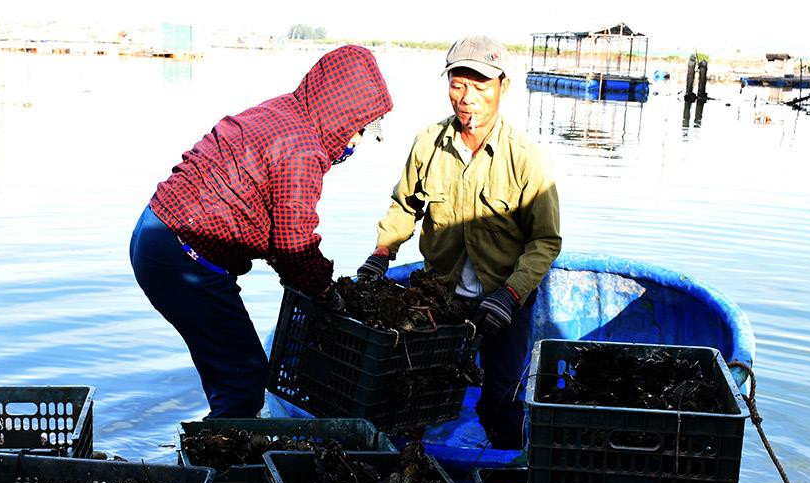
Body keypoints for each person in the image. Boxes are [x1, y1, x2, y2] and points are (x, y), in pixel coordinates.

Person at [131, 45, 393, 418]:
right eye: (359, 129)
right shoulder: (303, 149)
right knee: (244, 378)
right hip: (182, 255)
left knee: (234, 368)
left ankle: (216, 450)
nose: (357, 141)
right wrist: (325, 292)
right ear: (342, 113)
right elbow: (294, 246)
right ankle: (218, 471)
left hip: (155, 229)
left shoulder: (284, 110)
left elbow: (265, 210)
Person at [358, 35, 561, 449]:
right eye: (458, 84)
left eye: (481, 85)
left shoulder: (526, 158)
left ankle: (506, 475)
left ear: (503, 86)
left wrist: (510, 294)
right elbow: (404, 206)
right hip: (440, 297)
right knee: (414, 396)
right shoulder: (428, 144)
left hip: (505, 299)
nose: (467, 98)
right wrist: (381, 254)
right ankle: (408, 467)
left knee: (499, 403)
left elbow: (545, 241)